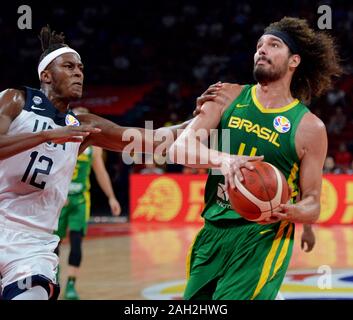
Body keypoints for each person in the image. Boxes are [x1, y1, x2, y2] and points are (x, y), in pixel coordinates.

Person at [0, 26, 190, 300]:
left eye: (80, 68)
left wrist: (203, 118)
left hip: (33, 245)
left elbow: (155, 139)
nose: (78, 72)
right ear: (45, 75)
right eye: (68, 66)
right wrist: (47, 135)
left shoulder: (83, 126)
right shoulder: (15, 100)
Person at [169, 17, 342, 299]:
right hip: (212, 231)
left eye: (274, 45)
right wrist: (224, 160)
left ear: (294, 61)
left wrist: (294, 213)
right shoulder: (225, 95)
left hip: (262, 237)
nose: (262, 49)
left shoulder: (310, 127)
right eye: (259, 45)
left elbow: (312, 203)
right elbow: (179, 149)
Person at [55, 107, 121, 300]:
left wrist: (111, 197)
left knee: (76, 243)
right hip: (59, 201)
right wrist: (56, 191)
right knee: (54, 244)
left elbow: (101, 172)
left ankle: (71, 285)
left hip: (80, 200)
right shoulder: (60, 139)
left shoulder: (93, 146)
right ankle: (54, 279)